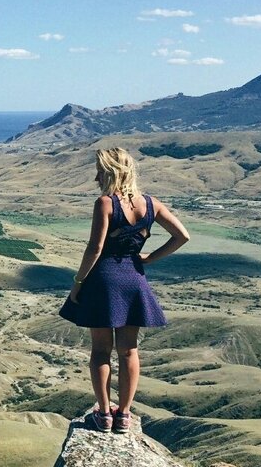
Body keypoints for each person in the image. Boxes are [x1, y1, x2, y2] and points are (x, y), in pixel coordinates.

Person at [58, 147, 189, 433]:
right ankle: (124, 415)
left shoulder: (105, 203)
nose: (96, 178)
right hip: (134, 279)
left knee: (100, 350)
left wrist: (78, 283)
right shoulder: (151, 204)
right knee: (129, 350)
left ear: (111, 173)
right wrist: (150, 258)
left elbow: (95, 249)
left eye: (100, 172)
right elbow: (182, 236)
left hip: (103, 281)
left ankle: (105, 414)